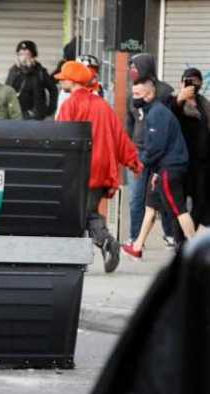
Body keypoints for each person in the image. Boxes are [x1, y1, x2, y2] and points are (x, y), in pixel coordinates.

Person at [56, 61, 143, 273]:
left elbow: (61, 139)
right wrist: (134, 162)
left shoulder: (70, 105)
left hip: (81, 170)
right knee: (86, 211)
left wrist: (56, 165)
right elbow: (120, 136)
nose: (60, 82)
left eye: (63, 79)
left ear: (73, 81)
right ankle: (90, 252)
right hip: (102, 169)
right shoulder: (102, 105)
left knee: (79, 213)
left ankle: (105, 243)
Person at [121, 80, 196, 260]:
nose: (134, 99)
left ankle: (197, 251)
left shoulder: (157, 113)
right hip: (161, 168)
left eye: (137, 95)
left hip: (170, 168)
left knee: (179, 209)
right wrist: (153, 171)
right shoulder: (152, 112)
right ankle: (137, 247)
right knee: (150, 207)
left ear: (149, 95)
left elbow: (156, 147)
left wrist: (141, 163)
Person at [126, 53, 176, 247]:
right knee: (136, 197)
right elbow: (128, 124)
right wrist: (128, 149)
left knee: (163, 195)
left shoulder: (165, 93)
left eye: (135, 67)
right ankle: (135, 236)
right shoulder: (132, 94)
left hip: (159, 153)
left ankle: (170, 234)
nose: (132, 71)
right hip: (137, 153)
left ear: (145, 67)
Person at [169, 68, 210, 232]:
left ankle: (189, 233)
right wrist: (180, 98)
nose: (193, 84)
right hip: (182, 162)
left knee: (200, 202)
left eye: (196, 81)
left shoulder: (204, 104)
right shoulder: (175, 102)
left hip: (202, 163)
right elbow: (172, 112)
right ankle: (180, 238)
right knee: (179, 205)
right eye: (188, 80)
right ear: (181, 82)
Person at [5, 40, 58, 120]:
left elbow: (53, 90)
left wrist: (50, 109)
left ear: (33, 56)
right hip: (17, 116)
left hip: (36, 116)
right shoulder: (14, 71)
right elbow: (7, 91)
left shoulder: (40, 72)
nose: (24, 58)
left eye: (27, 54)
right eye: (21, 54)